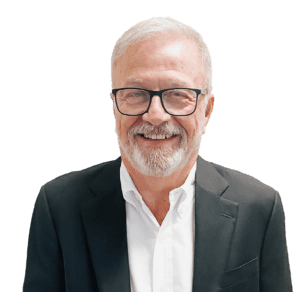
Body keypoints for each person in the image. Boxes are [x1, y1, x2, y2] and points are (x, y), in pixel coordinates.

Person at [23, 16, 293, 292]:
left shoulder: (258, 208)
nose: (154, 115)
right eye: (136, 93)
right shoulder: (58, 207)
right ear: (114, 105)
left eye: (177, 94)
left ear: (207, 109)